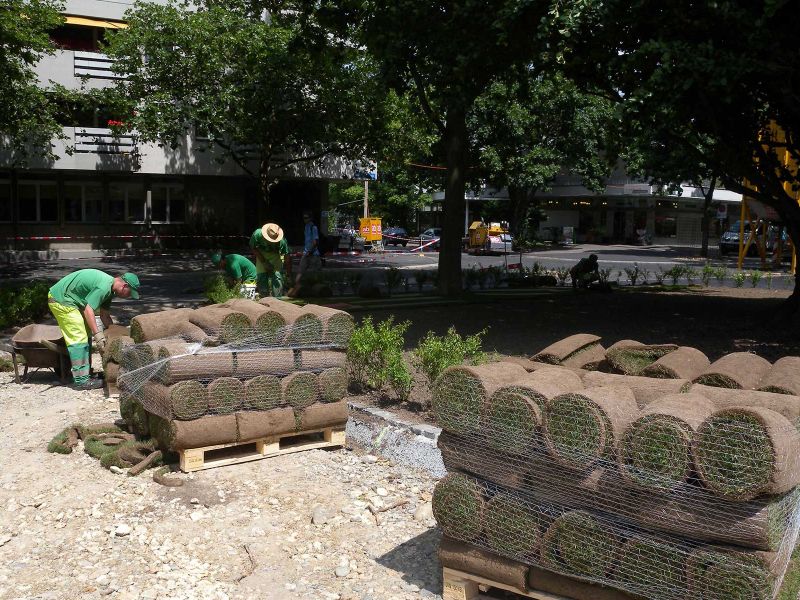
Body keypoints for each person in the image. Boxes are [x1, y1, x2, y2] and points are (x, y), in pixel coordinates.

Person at [47, 269, 140, 390]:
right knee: (78, 337)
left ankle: (86, 374)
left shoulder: (110, 291)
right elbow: (88, 310)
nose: (128, 296)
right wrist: (98, 335)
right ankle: (81, 381)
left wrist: (113, 335)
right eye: (129, 293)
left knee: (86, 334)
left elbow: (104, 316)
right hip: (61, 300)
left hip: (73, 302)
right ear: (124, 286)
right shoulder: (104, 287)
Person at [249, 222, 291, 297]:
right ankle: (263, 299)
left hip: (275, 258)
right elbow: (253, 248)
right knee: (261, 278)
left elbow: (287, 258)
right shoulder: (257, 235)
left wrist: (288, 275)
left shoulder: (282, 241)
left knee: (277, 279)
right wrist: (264, 262)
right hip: (261, 256)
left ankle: (278, 300)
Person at [288, 210, 322, 296]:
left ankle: (318, 288)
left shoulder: (313, 227)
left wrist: (310, 251)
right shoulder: (306, 227)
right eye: (304, 218)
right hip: (306, 253)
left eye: (306, 218)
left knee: (316, 272)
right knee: (300, 271)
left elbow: (315, 241)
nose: (305, 219)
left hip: (313, 254)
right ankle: (295, 286)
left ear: (310, 218)